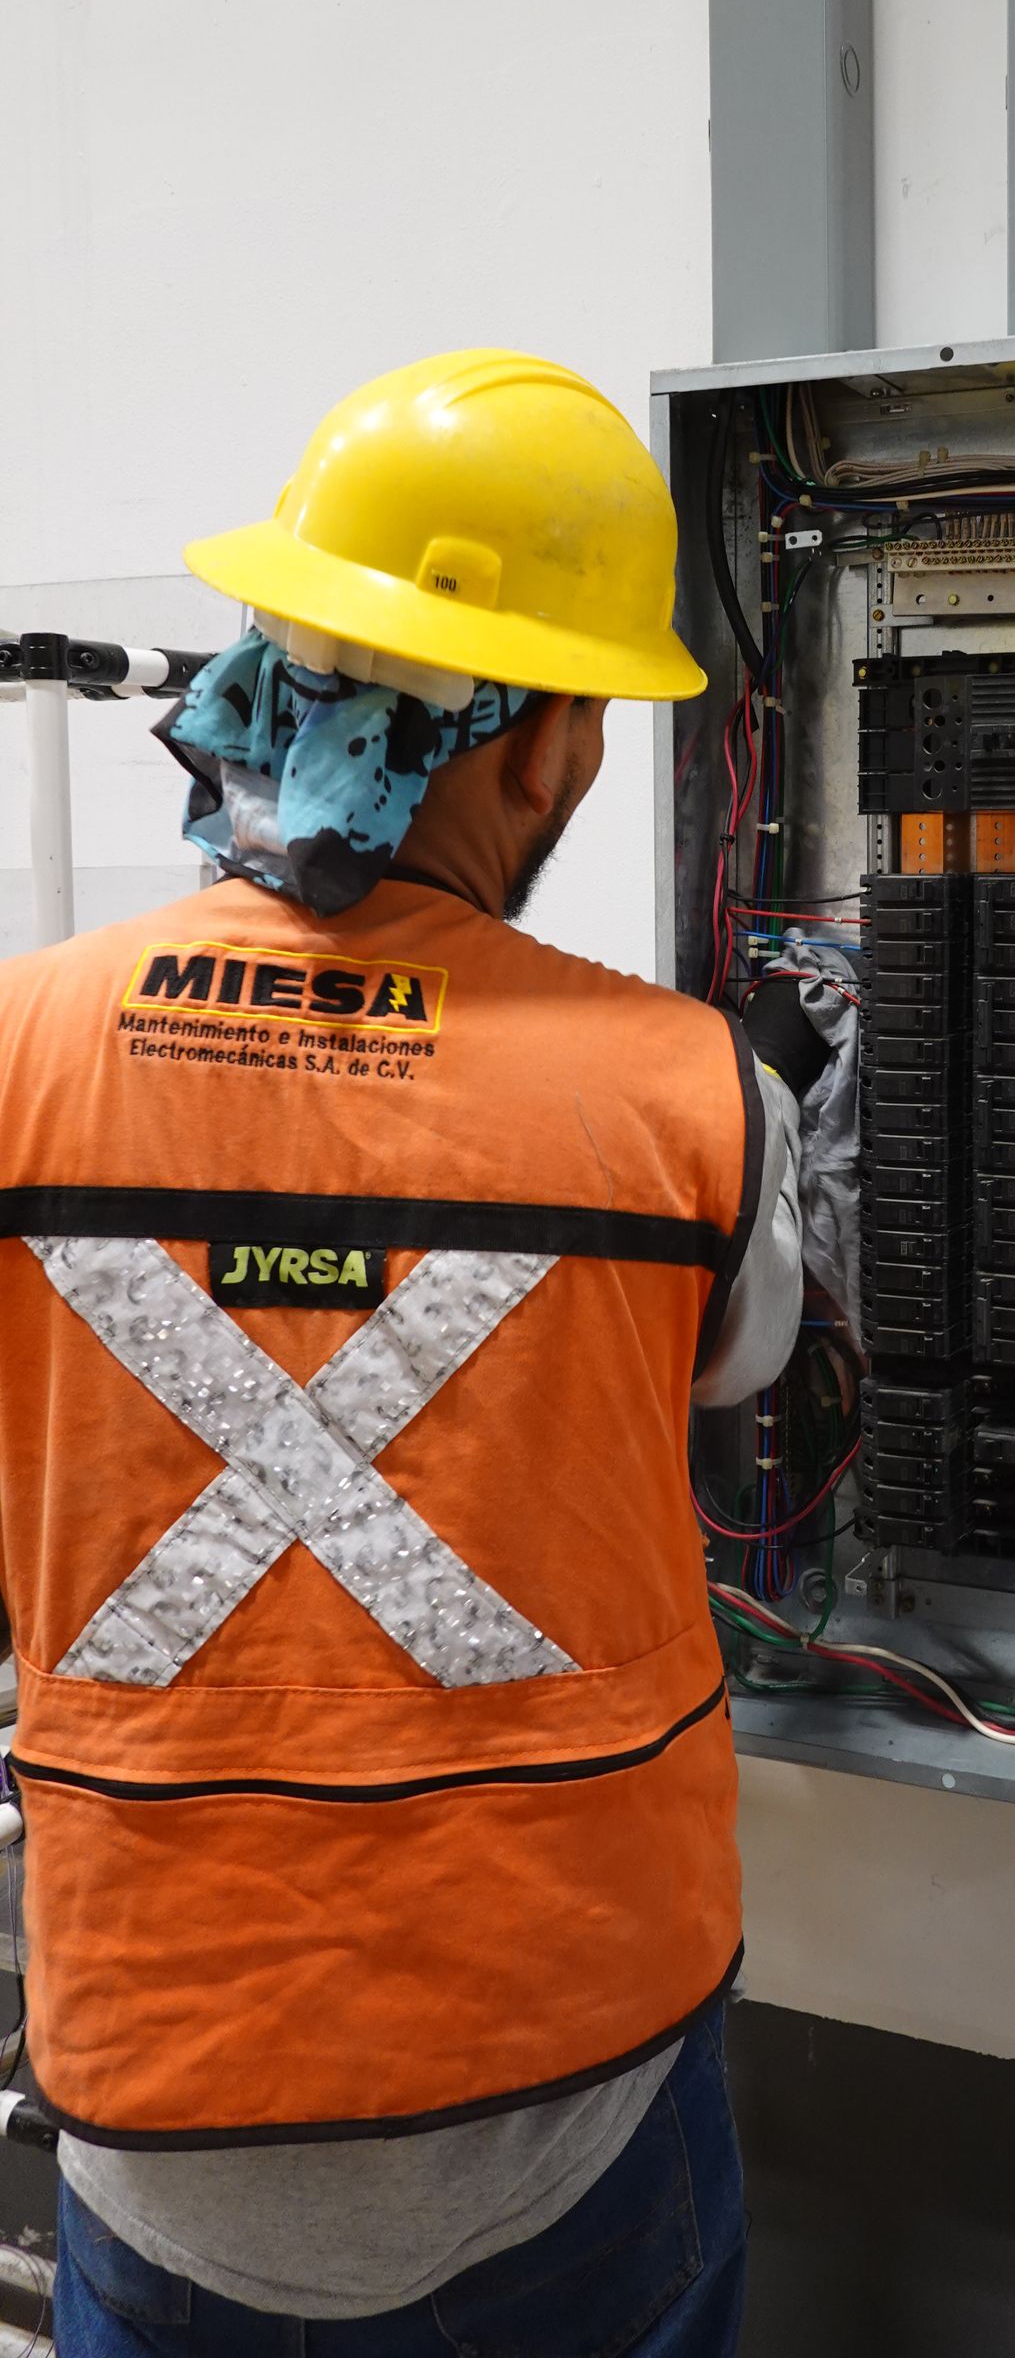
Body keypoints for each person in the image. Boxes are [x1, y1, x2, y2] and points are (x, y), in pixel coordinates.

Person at [0, 352, 820, 2354]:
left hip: (153, 2090)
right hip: (570, 2095)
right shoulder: (696, 1098)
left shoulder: (15, 1057)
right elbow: (745, 1392)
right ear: (551, 751)